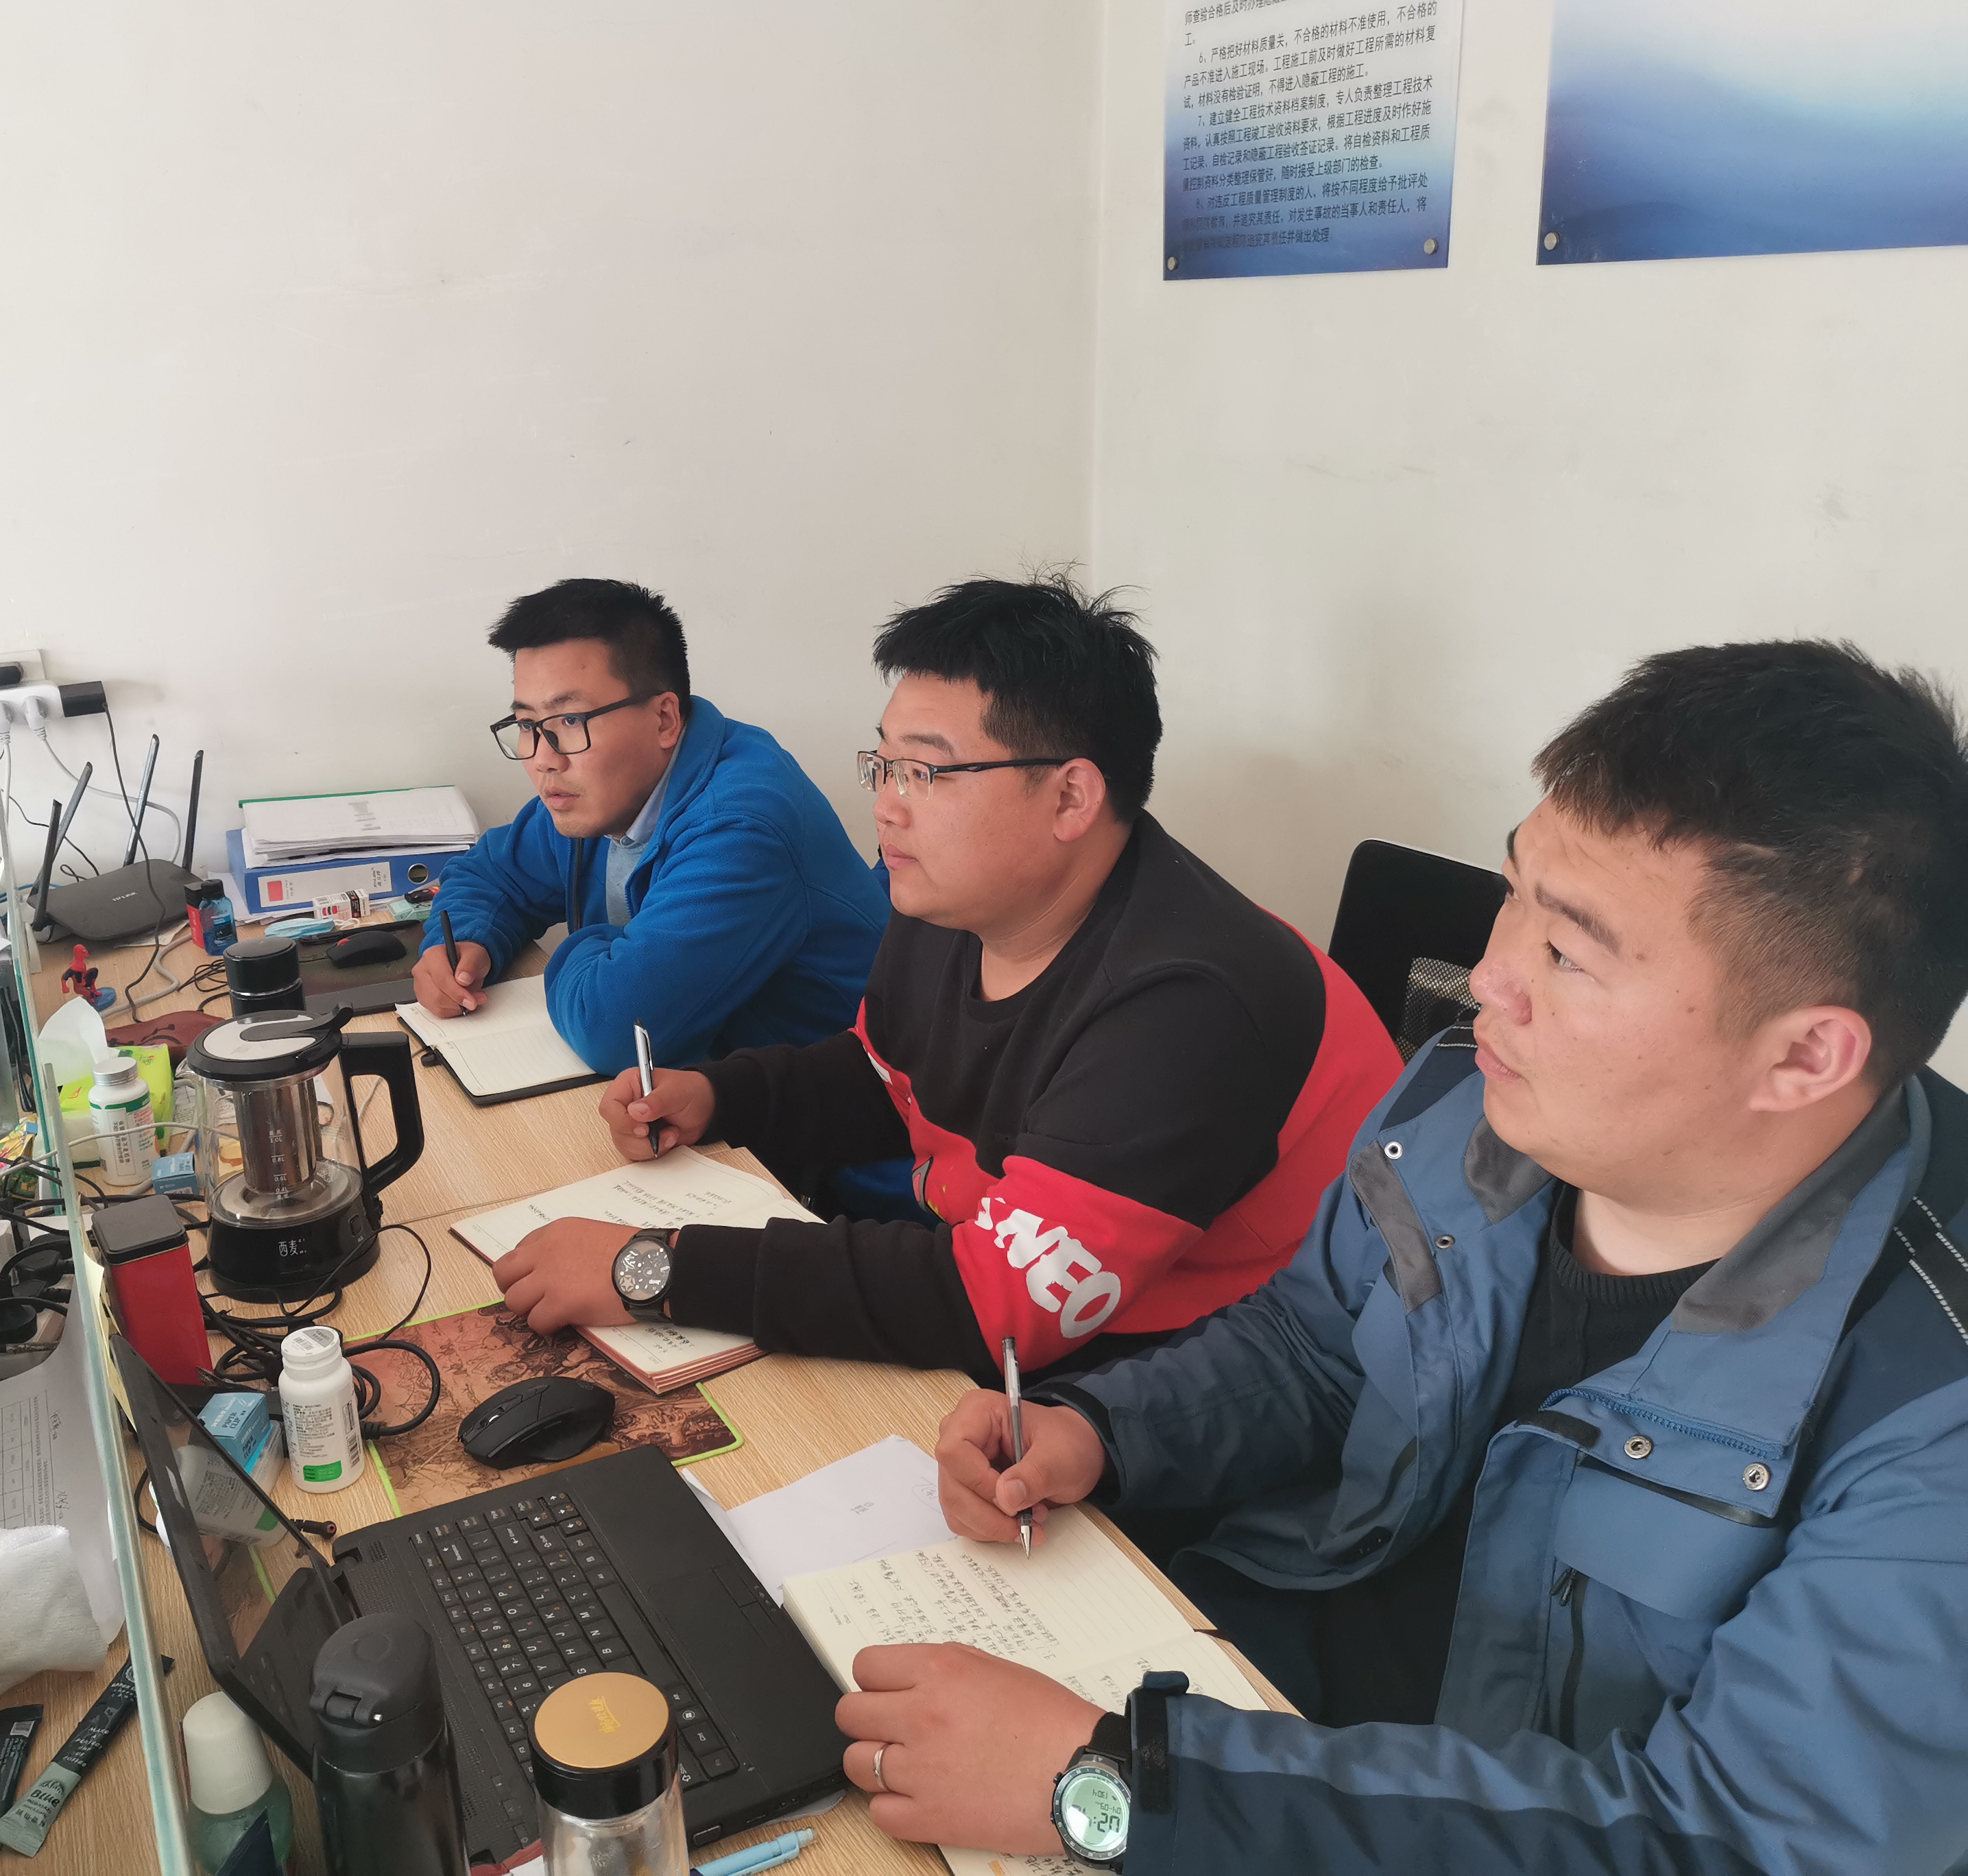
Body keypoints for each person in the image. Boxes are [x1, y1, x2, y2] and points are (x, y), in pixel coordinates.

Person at [867, 639, 1968, 1871]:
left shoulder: (1930, 1413)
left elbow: (1725, 1843)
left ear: (1804, 1056)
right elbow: (1312, 1347)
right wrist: (1103, 1429)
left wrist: (1119, 1789)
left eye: (1567, 954)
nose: (1487, 979)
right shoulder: (1464, 1104)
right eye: (1512, 893)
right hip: (1249, 1694)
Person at [491, 576, 1402, 1382]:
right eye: (884, 764)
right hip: (1027, 1309)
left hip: (1201, 1372)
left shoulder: (1186, 1006)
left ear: (1071, 797)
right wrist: (722, 1097)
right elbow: (890, 1076)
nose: (885, 806)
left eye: (925, 772)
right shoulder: (952, 902)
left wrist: (653, 1269)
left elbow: (997, 1303)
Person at [410, 577, 887, 1072]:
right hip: (698, 1090)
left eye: (571, 720)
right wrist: (466, 939)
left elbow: (615, 1033)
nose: (544, 758)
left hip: (819, 1107)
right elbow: (491, 873)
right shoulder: (599, 790)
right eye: (528, 725)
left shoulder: (741, 828)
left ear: (664, 719)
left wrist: (588, 947)